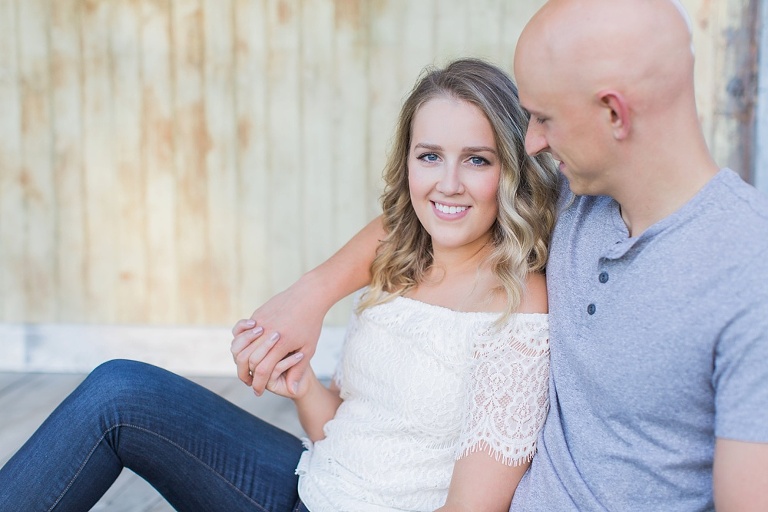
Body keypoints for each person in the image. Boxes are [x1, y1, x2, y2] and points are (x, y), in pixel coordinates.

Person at [242, 1, 768, 510]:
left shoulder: (746, 274)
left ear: (614, 112)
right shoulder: (578, 200)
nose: (532, 142)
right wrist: (309, 296)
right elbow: (429, 216)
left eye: (543, 118)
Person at [0, 58, 559, 511]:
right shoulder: (402, 261)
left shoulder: (518, 307)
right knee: (119, 391)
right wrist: (303, 386)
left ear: (509, 171)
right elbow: (343, 431)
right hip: (307, 484)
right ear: (408, 162)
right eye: (430, 156)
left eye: (477, 160)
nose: (448, 183)